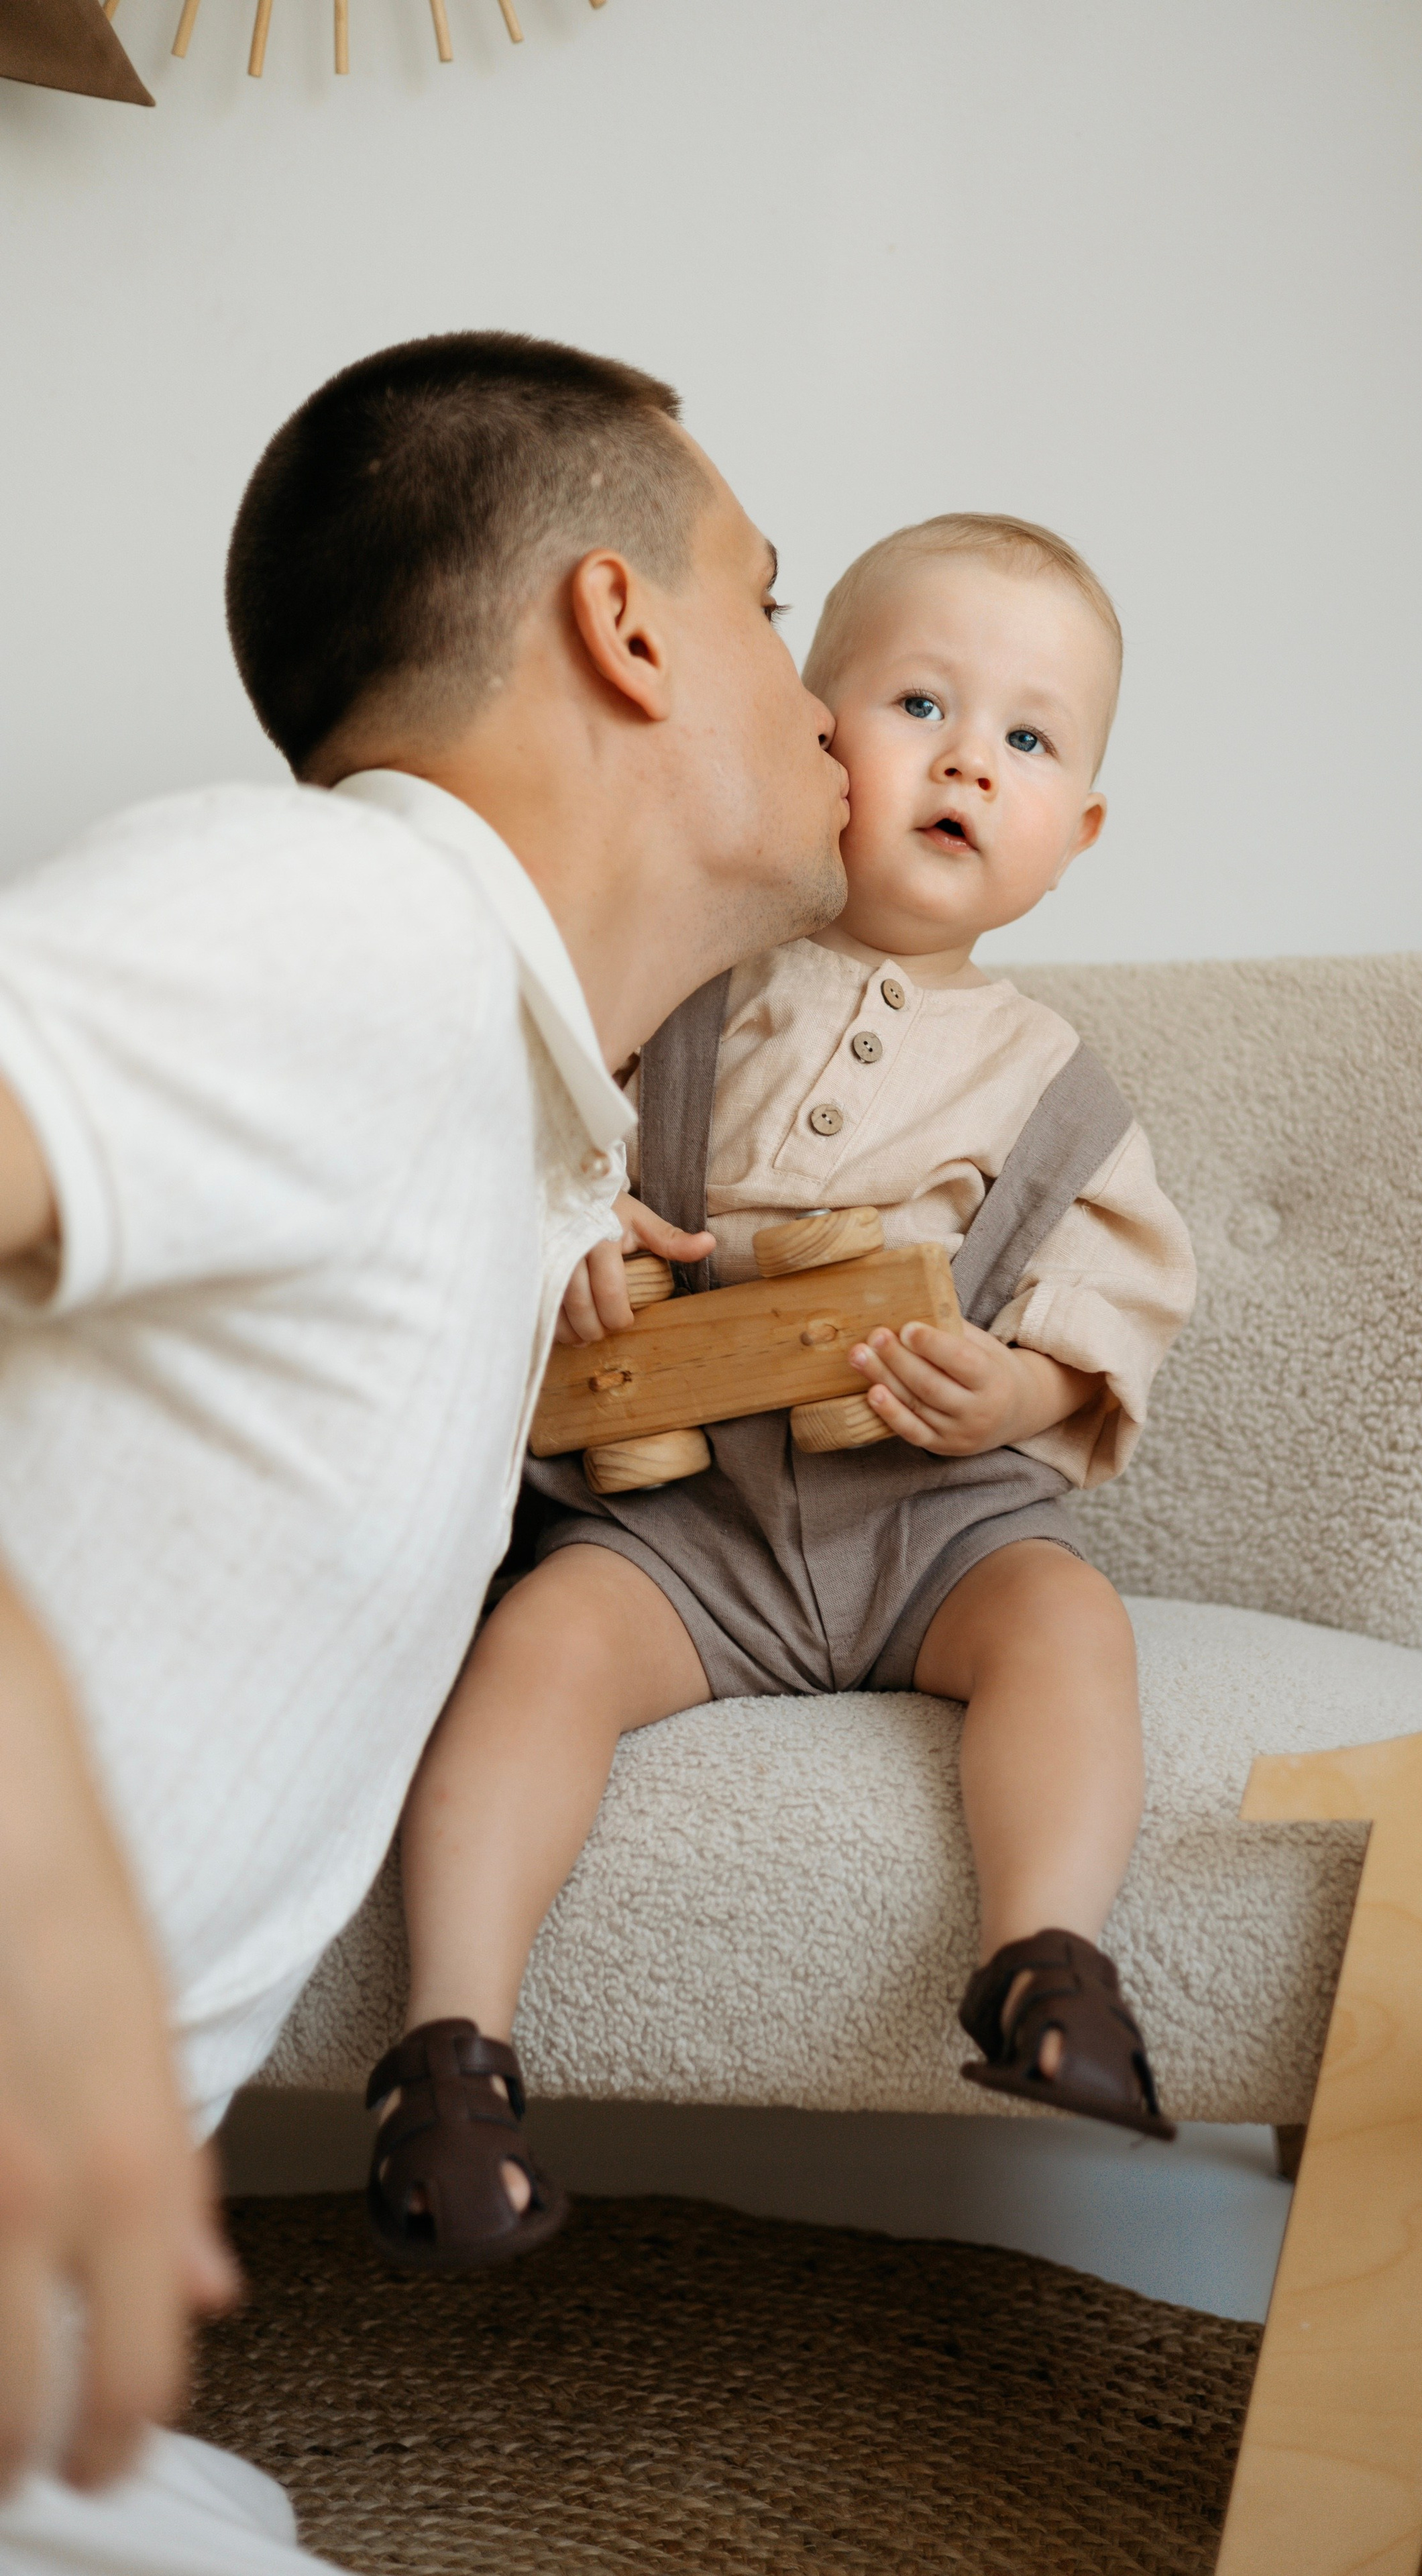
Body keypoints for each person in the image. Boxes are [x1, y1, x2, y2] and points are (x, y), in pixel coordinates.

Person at [0, 331, 847, 2569]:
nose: (834, 696)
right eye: (776, 600)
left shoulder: (490, 1085)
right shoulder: (351, 922)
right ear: (628, 624)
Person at [370, 513, 1198, 2271]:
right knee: (533, 1656)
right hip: (688, 1522)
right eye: (919, 703)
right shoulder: (671, 991)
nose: (973, 757)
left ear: (1079, 832)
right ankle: (450, 2058)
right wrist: (568, 1246)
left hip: (936, 1516)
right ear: (820, 742)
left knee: (1070, 1630)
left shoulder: (1055, 1080)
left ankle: (1043, 1960)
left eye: (1030, 740)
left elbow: (1118, 1298)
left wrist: (1018, 1389)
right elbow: (522, 1157)